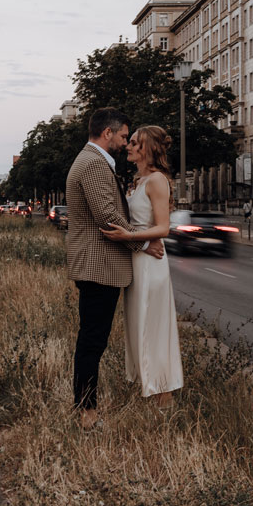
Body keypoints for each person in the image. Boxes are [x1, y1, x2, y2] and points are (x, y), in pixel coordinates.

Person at [65, 108, 164, 430]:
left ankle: (86, 407)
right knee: (93, 340)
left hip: (101, 265)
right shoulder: (93, 163)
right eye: (123, 135)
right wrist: (143, 244)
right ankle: (86, 412)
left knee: (93, 339)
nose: (125, 141)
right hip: (99, 265)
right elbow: (107, 217)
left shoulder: (94, 161)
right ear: (108, 133)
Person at [101, 125, 184, 409]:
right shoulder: (138, 180)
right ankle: (151, 389)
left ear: (146, 148)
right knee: (140, 325)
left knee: (154, 327)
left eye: (134, 142)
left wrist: (130, 237)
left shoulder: (157, 181)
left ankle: (165, 397)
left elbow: (163, 228)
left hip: (151, 265)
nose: (129, 146)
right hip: (138, 262)